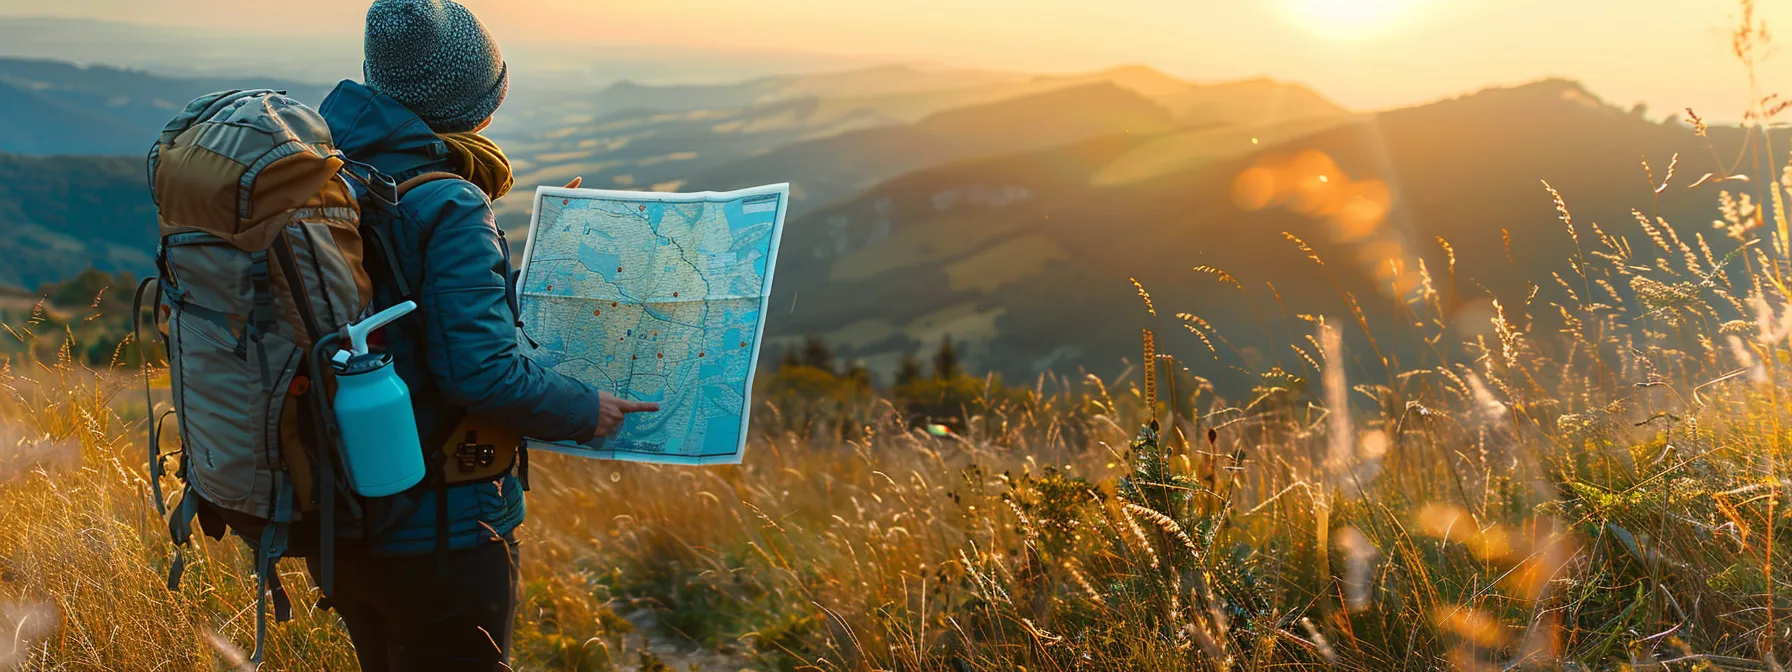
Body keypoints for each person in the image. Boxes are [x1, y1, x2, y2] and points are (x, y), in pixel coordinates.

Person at [305, 1, 658, 668]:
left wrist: (535, 271)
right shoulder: (449, 201)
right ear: (476, 98)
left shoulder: (337, 170)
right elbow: (479, 373)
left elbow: (401, 312)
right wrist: (587, 411)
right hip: (441, 526)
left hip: (345, 514)